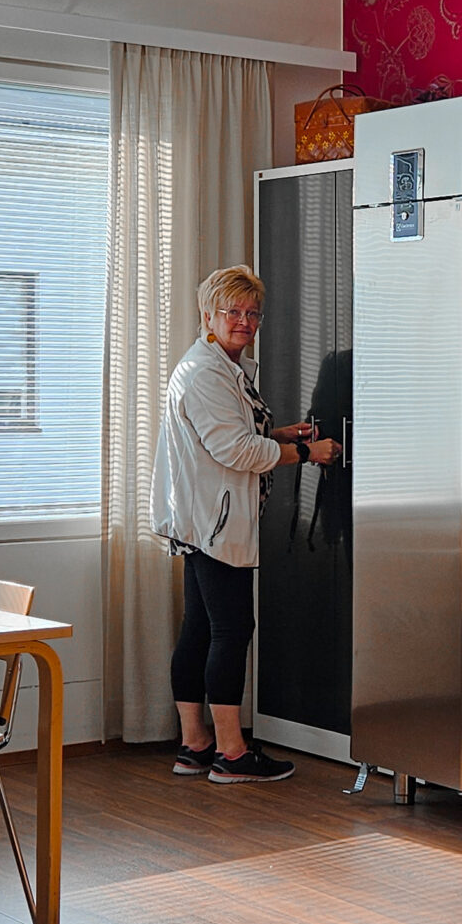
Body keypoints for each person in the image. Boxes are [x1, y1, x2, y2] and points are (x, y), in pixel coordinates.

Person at [152, 265, 339, 784]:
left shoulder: (216, 367)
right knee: (232, 629)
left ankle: (195, 744)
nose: (245, 322)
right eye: (233, 311)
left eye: (253, 313)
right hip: (215, 520)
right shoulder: (206, 373)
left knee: (200, 628)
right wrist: (308, 452)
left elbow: (226, 435)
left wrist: (279, 435)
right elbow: (234, 450)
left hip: (199, 517)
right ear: (207, 315)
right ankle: (232, 754)